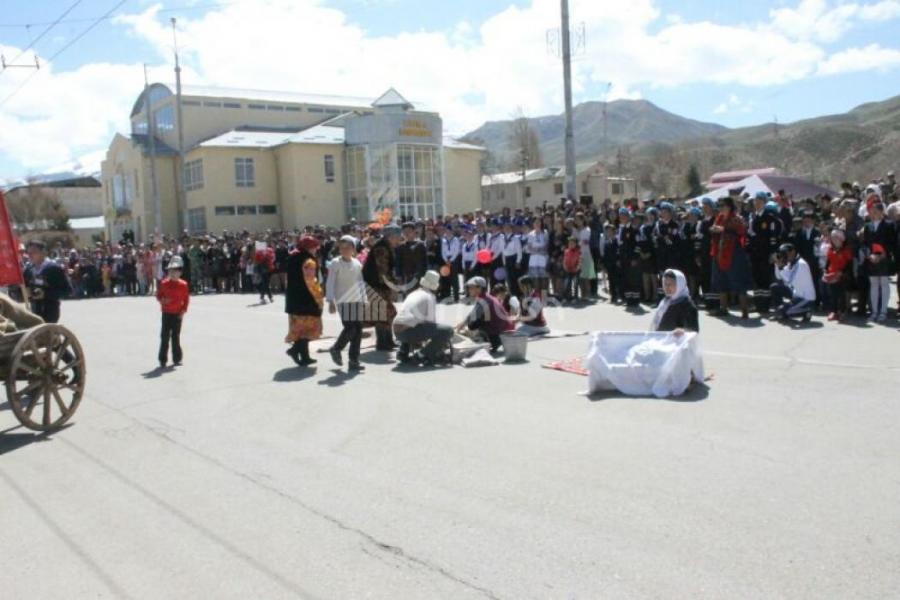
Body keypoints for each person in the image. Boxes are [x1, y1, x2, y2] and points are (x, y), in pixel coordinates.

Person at [393, 270, 454, 365]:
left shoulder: (413, 293)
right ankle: (421, 355)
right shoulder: (430, 296)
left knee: (412, 322)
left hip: (397, 331)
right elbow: (431, 322)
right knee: (448, 330)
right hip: (408, 332)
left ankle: (403, 351)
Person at [326, 236, 367, 371]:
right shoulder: (335, 263)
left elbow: (360, 282)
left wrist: (364, 299)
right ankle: (336, 348)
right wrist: (330, 300)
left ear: (353, 249)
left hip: (356, 300)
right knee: (350, 328)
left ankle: (354, 360)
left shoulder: (357, 263)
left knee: (358, 330)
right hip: (343, 301)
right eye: (342, 248)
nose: (345, 250)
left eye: (348, 247)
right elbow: (330, 282)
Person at [710, 197, 752, 319]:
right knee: (720, 281)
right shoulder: (719, 218)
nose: (721, 208)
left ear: (729, 207)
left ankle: (744, 310)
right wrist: (713, 229)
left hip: (734, 253)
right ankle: (723, 308)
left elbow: (741, 231)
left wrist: (724, 229)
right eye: (719, 206)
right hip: (720, 252)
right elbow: (714, 230)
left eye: (723, 205)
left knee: (739, 281)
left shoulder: (736, 218)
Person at [362, 225, 402, 351]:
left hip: (380, 284)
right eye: (397, 236)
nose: (399, 239)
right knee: (382, 313)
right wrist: (393, 285)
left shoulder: (386, 246)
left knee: (388, 312)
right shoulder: (382, 248)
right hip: (376, 285)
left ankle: (388, 341)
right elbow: (382, 270)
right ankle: (382, 342)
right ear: (391, 236)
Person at [284, 235, 321, 364]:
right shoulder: (309, 261)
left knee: (300, 329)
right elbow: (311, 282)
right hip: (306, 298)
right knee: (308, 328)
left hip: (293, 298)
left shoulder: (293, 257)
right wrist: (318, 297)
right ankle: (295, 350)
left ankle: (305, 356)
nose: (316, 249)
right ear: (309, 248)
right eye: (314, 247)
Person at [455, 276, 513, 352]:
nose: (469, 290)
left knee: (472, 325)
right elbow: (473, 313)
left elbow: (473, 317)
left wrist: (463, 326)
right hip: (502, 331)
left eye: (471, 288)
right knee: (472, 323)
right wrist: (462, 323)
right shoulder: (485, 297)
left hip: (500, 334)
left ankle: (490, 342)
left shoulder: (484, 300)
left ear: (479, 288)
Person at [23, 240, 71, 323]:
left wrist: (45, 294)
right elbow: (23, 289)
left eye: (34, 252)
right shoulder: (28, 270)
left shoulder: (54, 268)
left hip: (50, 311)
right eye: (28, 253)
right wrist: (26, 292)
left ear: (43, 252)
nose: (30, 255)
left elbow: (67, 291)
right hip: (34, 311)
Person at [156, 256, 190, 368]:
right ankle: (162, 359)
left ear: (180, 273)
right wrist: (162, 300)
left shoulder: (183, 285)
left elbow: (186, 299)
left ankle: (177, 358)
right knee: (164, 336)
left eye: (175, 271)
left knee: (175, 336)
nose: (173, 273)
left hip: (177, 314)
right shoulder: (164, 283)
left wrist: (183, 311)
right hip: (166, 313)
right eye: (171, 271)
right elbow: (158, 295)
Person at [770, 243, 816, 321]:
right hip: (796, 294)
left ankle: (807, 311)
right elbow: (779, 276)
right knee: (774, 287)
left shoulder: (801, 264)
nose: (784, 256)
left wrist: (780, 266)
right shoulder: (791, 263)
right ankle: (780, 312)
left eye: (785, 253)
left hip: (806, 298)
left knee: (785, 311)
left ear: (793, 252)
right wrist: (777, 264)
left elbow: (789, 280)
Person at [822, 229, 852, 321]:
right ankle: (833, 311)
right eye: (832, 238)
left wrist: (842, 272)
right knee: (832, 294)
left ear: (841, 239)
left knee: (841, 294)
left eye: (836, 238)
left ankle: (842, 311)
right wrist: (825, 271)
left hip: (842, 275)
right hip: (831, 274)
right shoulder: (830, 249)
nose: (834, 240)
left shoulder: (846, 250)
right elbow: (828, 261)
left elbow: (849, 264)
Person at [562, 237, 581, 302]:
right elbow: (564, 260)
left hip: (575, 270)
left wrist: (577, 268)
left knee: (575, 284)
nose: (571, 244)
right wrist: (564, 266)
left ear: (575, 244)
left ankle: (575, 297)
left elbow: (580, 261)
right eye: (569, 243)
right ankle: (567, 297)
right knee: (567, 283)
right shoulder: (566, 251)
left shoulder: (578, 251)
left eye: (572, 243)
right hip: (568, 270)